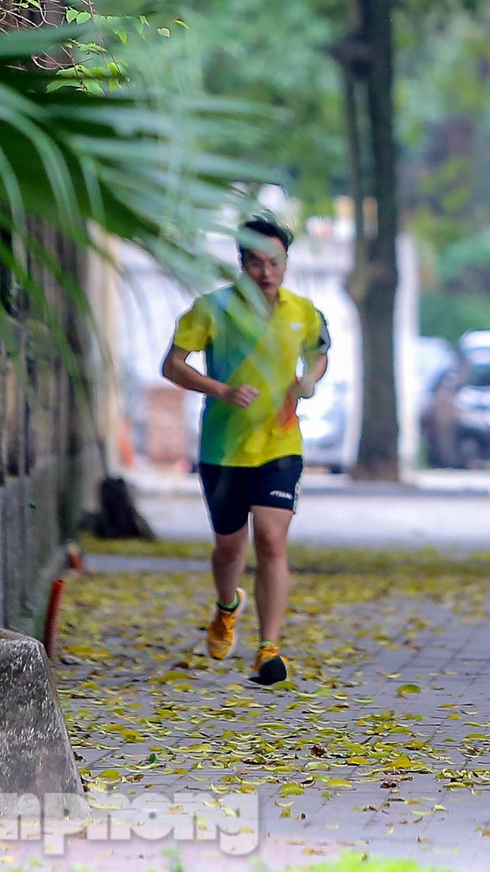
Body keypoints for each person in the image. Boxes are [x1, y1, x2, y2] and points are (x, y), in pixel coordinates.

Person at [161, 215, 330, 685]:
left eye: (274, 262)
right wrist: (221, 390)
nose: (266, 272)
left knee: (272, 540)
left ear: (286, 262)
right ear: (242, 264)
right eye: (256, 263)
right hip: (223, 449)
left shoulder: (303, 311)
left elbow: (319, 352)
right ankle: (227, 604)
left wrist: (309, 380)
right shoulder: (212, 309)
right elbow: (172, 366)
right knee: (229, 549)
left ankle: (268, 649)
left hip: (280, 443)